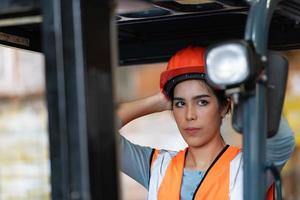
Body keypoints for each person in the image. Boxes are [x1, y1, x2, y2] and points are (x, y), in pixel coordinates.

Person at [117, 46, 295, 200]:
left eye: (202, 102)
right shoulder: (157, 167)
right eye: (180, 104)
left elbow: (282, 139)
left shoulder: (249, 169)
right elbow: (94, 131)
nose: (189, 115)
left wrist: (247, 85)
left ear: (225, 106)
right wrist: (158, 100)